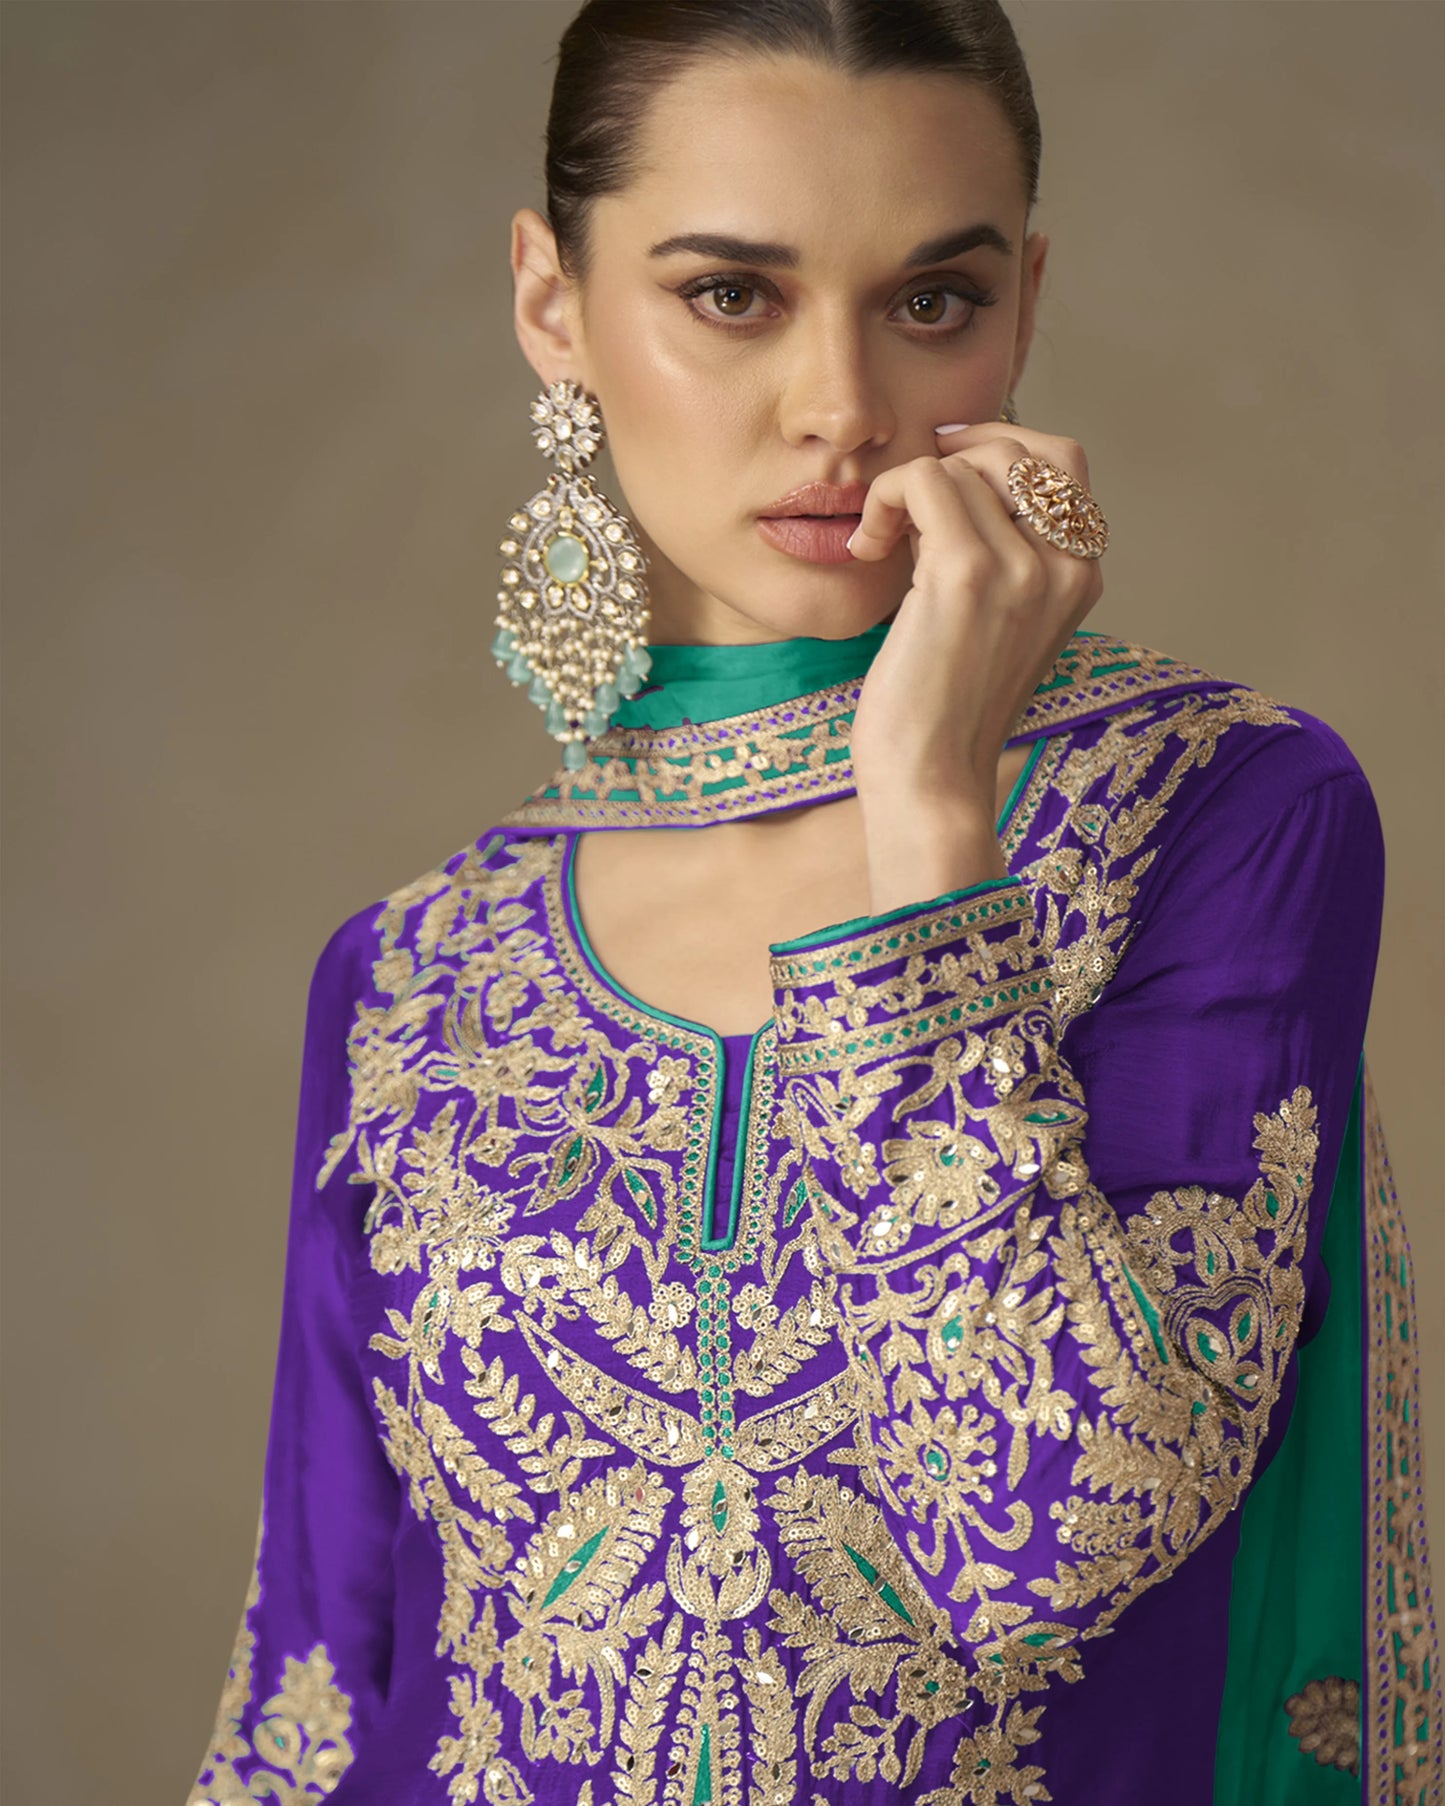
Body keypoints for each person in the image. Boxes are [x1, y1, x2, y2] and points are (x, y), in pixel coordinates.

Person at [184, 3, 1441, 1802]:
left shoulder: (1218, 818)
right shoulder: (409, 971)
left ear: (1024, 298)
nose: (844, 408)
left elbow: (1039, 1541)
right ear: (553, 304)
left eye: (932, 300)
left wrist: (926, 807)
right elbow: (311, 1681)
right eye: (731, 294)